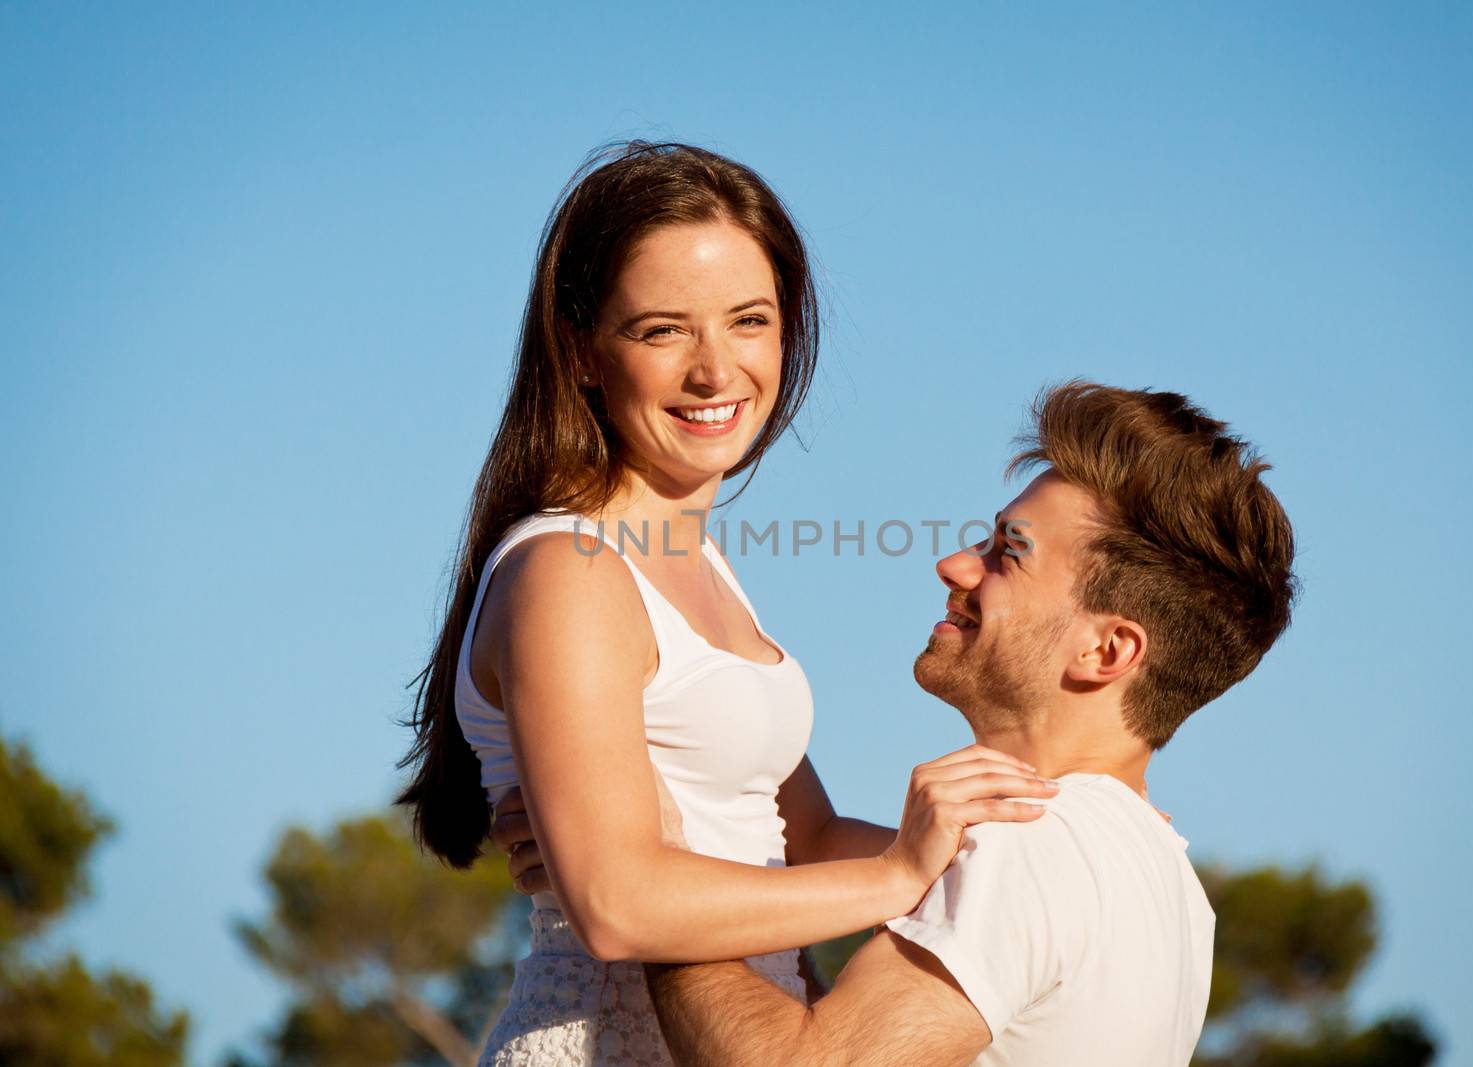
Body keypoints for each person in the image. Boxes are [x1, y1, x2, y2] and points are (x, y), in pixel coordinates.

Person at [395, 141, 1057, 1067]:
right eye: (663, 330)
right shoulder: (568, 570)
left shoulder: (695, 560)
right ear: (583, 350)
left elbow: (808, 836)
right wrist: (901, 874)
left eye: (748, 320)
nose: (716, 371)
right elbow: (620, 906)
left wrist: (1039, 852)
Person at [499, 380, 1300, 1066]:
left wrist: (652, 881)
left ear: (1107, 648)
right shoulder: (1169, 886)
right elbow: (814, 865)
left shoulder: (1033, 843)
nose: (956, 564)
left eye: (1007, 552)